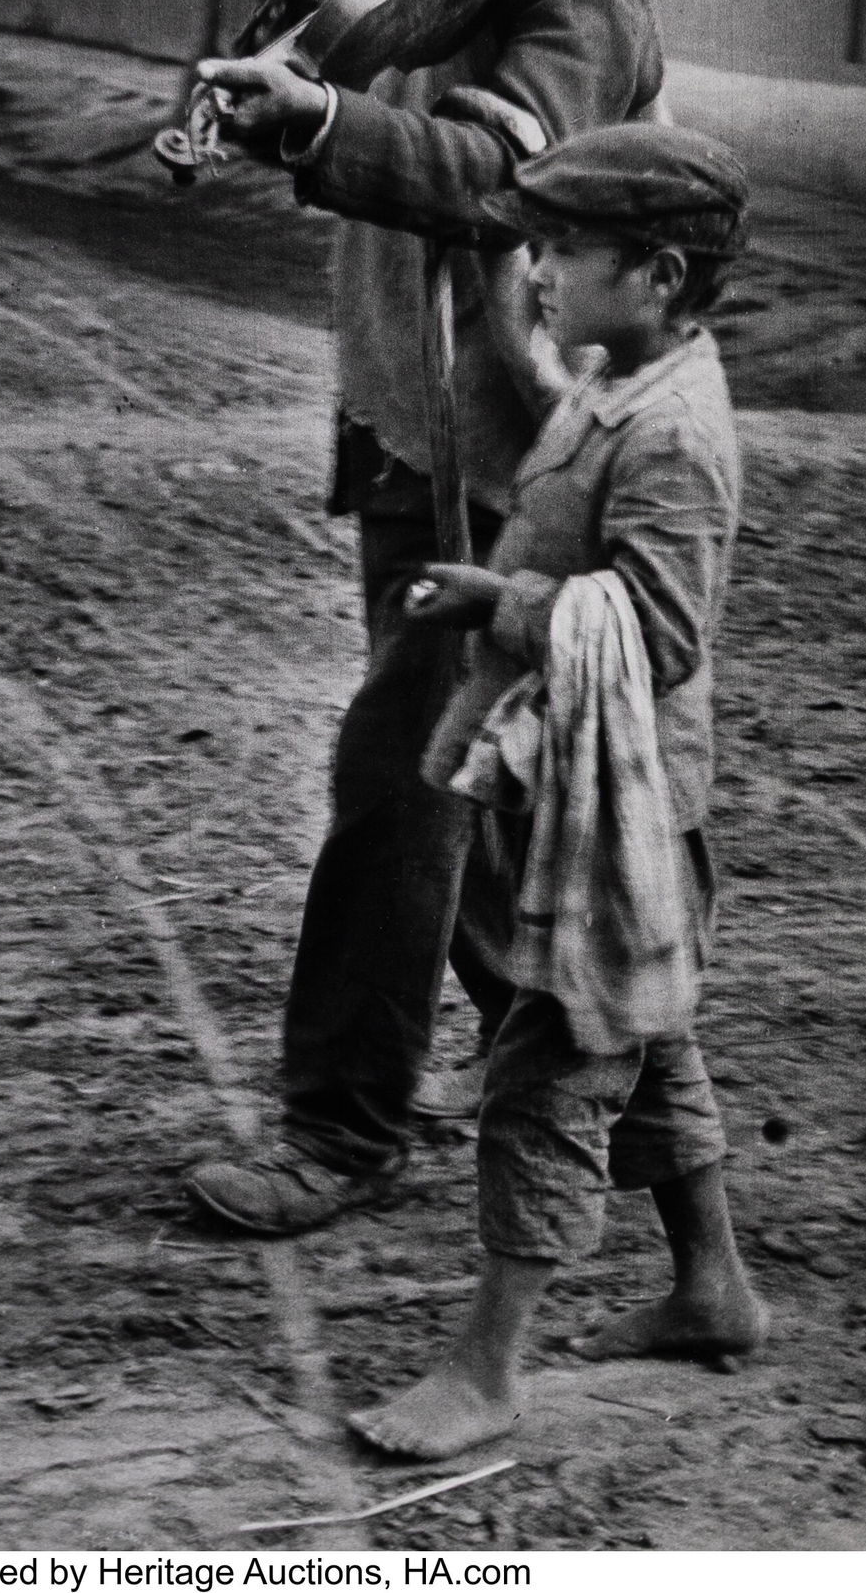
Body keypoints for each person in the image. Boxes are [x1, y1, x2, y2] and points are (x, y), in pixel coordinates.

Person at [184, 0, 665, 1234]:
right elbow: (358, 112)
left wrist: (322, 116)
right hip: (414, 430)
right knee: (485, 800)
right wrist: (297, 39)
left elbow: (485, 175)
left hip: (508, 464)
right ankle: (610, 1102)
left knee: (401, 779)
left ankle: (341, 1128)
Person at [344, 121, 767, 1459]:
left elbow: (662, 631)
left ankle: (486, 1368)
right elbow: (558, 446)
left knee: (548, 1072)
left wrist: (505, 600)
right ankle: (712, 1287)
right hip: (576, 774)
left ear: (657, 275)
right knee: (646, 1033)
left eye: (567, 250)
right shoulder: (621, 377)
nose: (539, 268)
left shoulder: (674, 434)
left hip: (628, 802)